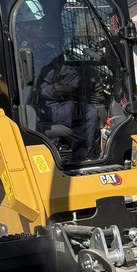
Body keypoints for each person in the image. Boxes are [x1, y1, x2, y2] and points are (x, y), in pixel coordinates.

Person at [19, 9, 100, 163]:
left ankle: (83, 149)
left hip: (56, 103)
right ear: (23, 27)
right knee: (88, 112)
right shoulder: (20, 50)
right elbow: (36, 86)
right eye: (32, 25)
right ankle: (81, 157)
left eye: (37, 24)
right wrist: (59, 90)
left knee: (90, 109)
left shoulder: (46, 47)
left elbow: (62, 70)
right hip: (42, 106)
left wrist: (83, 82)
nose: (37, 28)